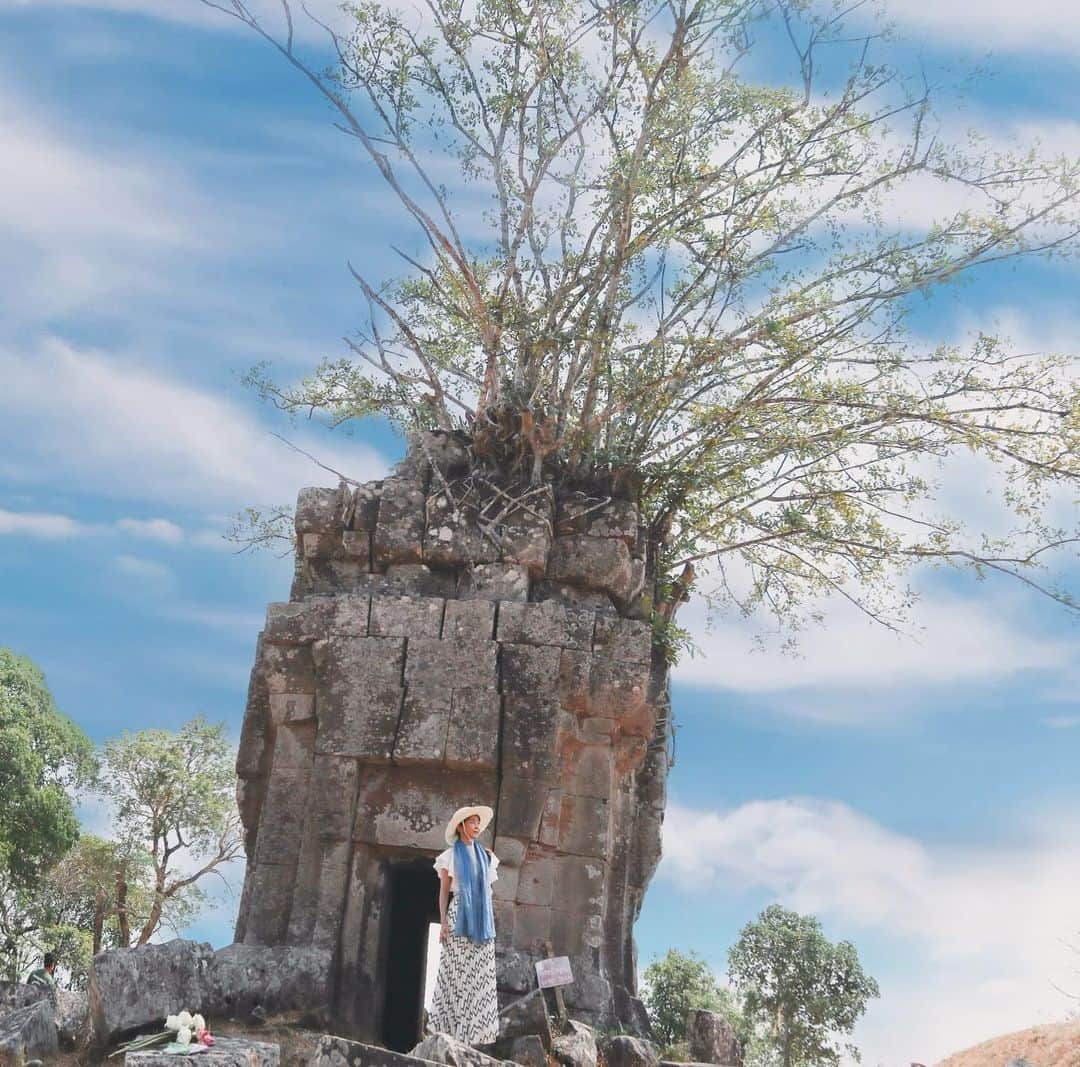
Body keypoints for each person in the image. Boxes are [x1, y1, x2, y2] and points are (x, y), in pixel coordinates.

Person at [428, 804, 500, 1044]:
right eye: (472, 822)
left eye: (479, 823)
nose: (477, 827)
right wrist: (443, 922)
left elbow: (488, 890)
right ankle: (450, 1035)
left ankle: (470, 1037)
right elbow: (444, 891)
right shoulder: (450, 855)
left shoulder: (486, 856)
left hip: (481, 918)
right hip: (459, 915)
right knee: (457, 973)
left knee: (478, 974)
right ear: (461, 826)